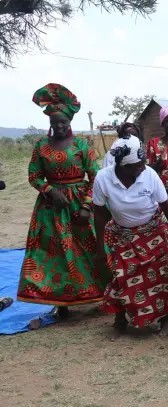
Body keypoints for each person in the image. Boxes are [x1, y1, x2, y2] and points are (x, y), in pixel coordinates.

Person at [17, 83, 108, 318]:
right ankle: (61, 303)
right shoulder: (41, 146)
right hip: (51, 208)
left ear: (70, 122)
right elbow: (34, 176)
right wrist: (50, 190)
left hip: (79, 206)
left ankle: (100, 295)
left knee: (89, 250)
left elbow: (96, 176)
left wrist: (87, 205)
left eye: (63, 122)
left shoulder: (82, 145)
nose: (59, 126)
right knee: (55, 254)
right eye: (55, 123)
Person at [93, 136, 168, 338]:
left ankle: (164, 319)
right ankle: (120, 321)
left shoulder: (150, 175)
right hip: (122, 234)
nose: (143, 167)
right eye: (138, 165)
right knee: (120, 277)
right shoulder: (103, 178)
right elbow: (100, 214)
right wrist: (99, 245)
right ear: (123, 166)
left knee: (160, 277)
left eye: (143, 162)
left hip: (153, 232)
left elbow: (166, 206)